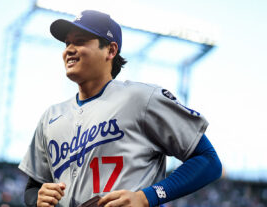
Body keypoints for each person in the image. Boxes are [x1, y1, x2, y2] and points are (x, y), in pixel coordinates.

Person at [19, 10, 222, 207]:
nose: (69, 49)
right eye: (67, 43)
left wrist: (147, 197)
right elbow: (33, 187)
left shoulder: (141, 98)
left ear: (111, 50)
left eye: (80, 41)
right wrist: (37, 198)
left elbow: (208, 160)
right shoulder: (51, 117)